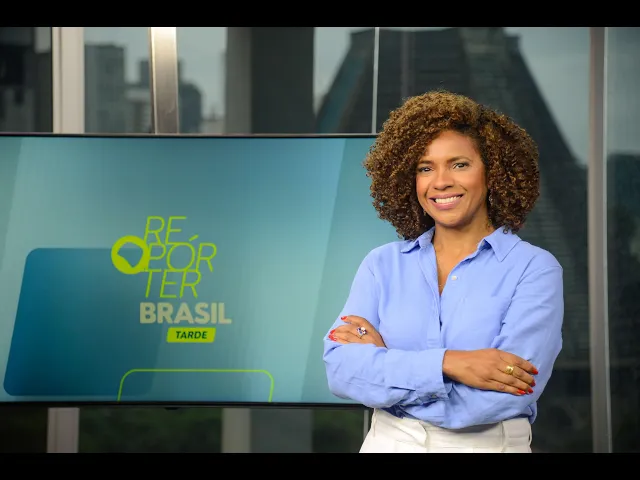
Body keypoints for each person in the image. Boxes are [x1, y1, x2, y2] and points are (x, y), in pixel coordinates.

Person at [322, 90, 564, 453]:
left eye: (459, 164)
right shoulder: (382, 264)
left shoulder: (534, 269)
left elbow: (509, 392)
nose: (440, 182)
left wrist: (386, 367)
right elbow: (341, 371)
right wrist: (451, 364)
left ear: (493, 171)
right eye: (425, 168)